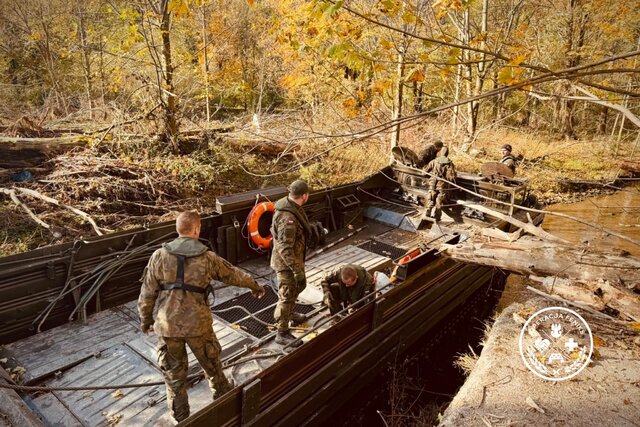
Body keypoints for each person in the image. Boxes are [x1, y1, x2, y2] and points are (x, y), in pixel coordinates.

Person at [138, 211, 265, 423]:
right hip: (199, 325)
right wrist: (255, 286)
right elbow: (233, 274)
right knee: (213, 368)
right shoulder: (207, 257)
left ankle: (182, 418)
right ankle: (223, 403)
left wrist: (145, 320)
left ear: (178, 230)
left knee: (174, 379)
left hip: (167, 327)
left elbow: (146, 293)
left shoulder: (159, 256)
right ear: (196, 230)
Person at [271, 179, 312, 347]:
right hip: (287, 264)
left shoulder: (291, 207)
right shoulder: (288, 218)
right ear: (304, 196)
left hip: (293, 260)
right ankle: (282, 332)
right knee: (287, 296)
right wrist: (297, 270)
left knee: (295, 289)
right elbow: (284, 248)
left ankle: (290, 314)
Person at [424, 146, 456, 221]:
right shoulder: (450, 164)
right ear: (447, 153)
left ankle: (428, 211)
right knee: (439, 201)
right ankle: (437, 217)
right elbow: (452, 177)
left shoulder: (434, 161)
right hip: (442, 185)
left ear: (441, 152)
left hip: (433, 184)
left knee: (431, 198)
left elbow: (424, 172)